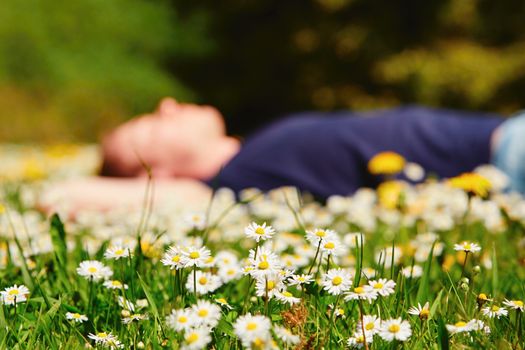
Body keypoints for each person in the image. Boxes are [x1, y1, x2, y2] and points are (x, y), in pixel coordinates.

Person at [42, 97, 522, 214]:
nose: (166, 106)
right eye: (149, 127)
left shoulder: (253, 150)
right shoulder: (232, 183)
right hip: (505, 162)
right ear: (159, 176)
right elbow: (58, 196)